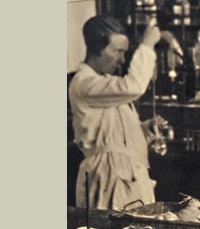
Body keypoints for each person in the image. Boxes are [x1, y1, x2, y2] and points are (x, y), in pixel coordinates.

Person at [69, 16, 167, 210]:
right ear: (97, 49)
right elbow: (134, 86)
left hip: (124, 177)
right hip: (109, 179)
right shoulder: (84, 84)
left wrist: (144, 128)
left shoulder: (104, 83)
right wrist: (146, 46)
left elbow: (111, 131)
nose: (122, 60)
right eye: (118, 51)